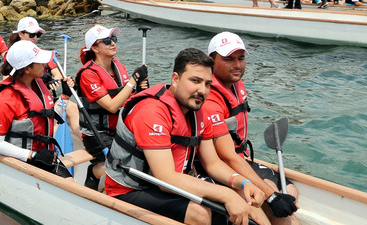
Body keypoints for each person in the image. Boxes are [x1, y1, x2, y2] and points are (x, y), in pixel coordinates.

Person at [105, 48, 266, 225]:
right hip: (131, 190)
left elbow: (212, 163)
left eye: (207, 84)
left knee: (247, 202)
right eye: (195, 81)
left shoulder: (197, 110)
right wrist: (226, 194)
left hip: (171, 185)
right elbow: (165, 178)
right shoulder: (152, 112)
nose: (202, 90)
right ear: (175, 79)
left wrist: (244, 183)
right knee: (199, 213)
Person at [204, 33, 299, 224]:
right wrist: (271, 196)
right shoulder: (210, 98)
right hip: (220, 167)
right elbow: (227, 157)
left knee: (291, 195)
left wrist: (272, 194)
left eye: (241, 58)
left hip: (241, 158)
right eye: (229, 59)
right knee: (264, 202)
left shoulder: (235, 83)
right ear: (211, 61)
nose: (237, 65)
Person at [75, 25, 148, 190]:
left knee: (144, 155)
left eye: (114, 39)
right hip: (96, 134)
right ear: (94, 48)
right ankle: (94, 172)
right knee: (122, 168)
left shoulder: (118, 67)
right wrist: (133, 81)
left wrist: (140, 89)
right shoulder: (88, 74)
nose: (113, 43)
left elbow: (128, 99)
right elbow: (112, 106)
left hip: (119, 129)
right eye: (107, 41)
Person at [0, 40, 72, 178]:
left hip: (45, 156)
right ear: (27, 69)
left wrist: (65, 96)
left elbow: (49, 118)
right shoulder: (6, 99)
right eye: (39, 62)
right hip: (22, 160)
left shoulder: (37, 85)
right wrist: (33, 155)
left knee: (71, 186)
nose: (44, 65)